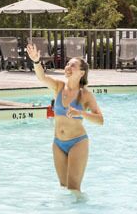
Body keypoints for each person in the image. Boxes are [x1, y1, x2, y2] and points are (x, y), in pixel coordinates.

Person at [26, 41, 104, 192]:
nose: (68, 67)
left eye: (72, 65)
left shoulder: (85, 95)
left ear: (81, 73)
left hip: (78, 143)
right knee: (63, 188)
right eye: (67, 64)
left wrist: (80, 113)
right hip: (58, 143)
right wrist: (36, 61)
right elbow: (42, 77)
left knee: (74, 188)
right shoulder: (59, 87)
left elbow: (100, 120)